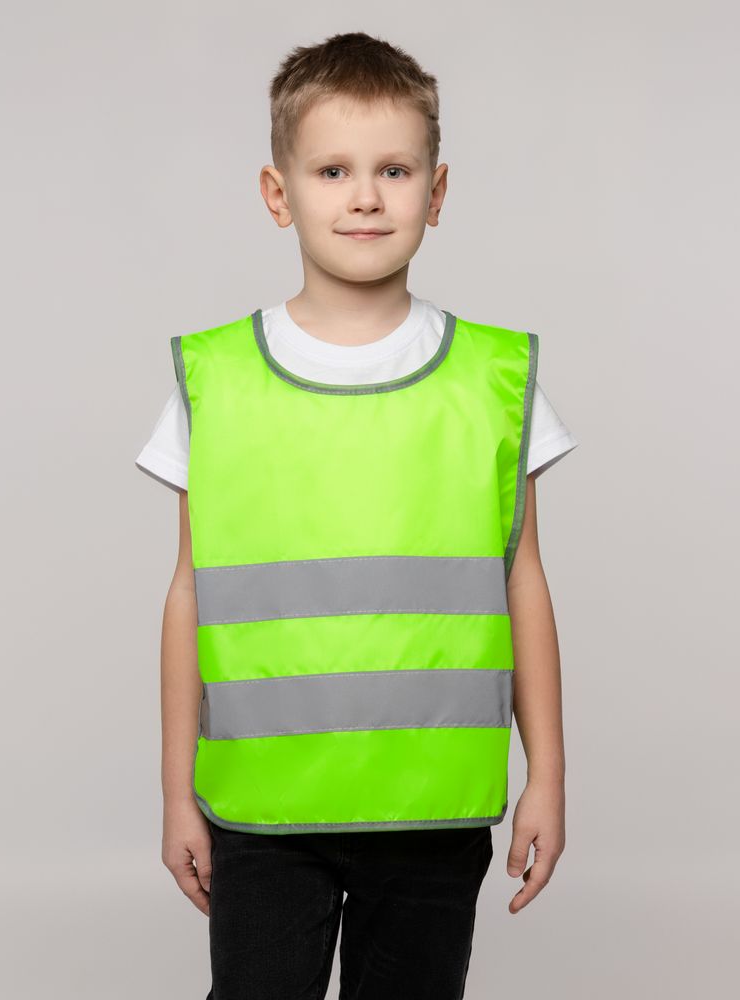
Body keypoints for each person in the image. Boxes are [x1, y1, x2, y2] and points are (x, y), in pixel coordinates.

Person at [136, 30, 577, 1000]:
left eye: (394, 170)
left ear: (437, 191)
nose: (366, 196)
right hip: (263, 815)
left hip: (433, 814)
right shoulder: (217, 379)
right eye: (333, 170)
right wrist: (177, 792)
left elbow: (523, 581)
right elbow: (189, 593)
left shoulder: (494, 380)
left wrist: (546, 775)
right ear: (278, 193)